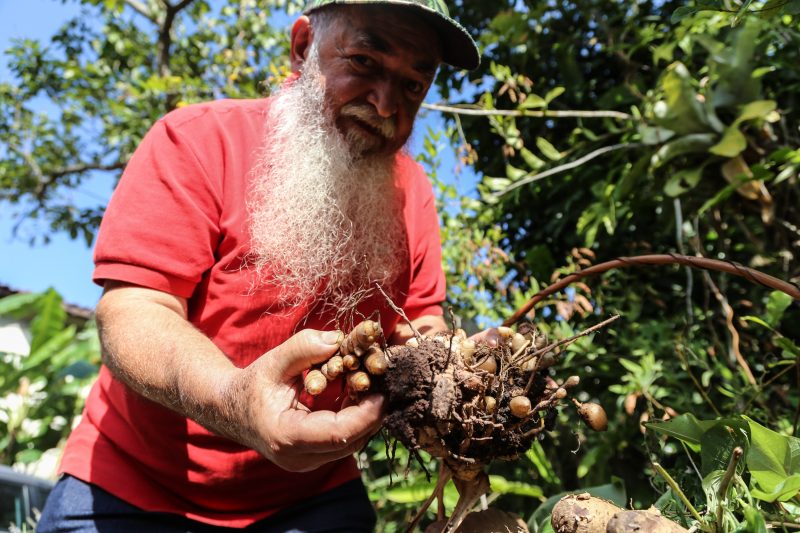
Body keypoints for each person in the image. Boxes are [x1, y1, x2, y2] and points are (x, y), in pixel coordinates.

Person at [37, 0, 480, 531]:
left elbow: (418, 327)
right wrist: (236, 400)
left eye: (413, 86)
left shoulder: (412, 193)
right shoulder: (198, 140)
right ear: (302, 49)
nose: (386, 107)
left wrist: (463, 371)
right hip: (132, 490)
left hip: (310, 498)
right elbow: (134, 310)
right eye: (364, 62)